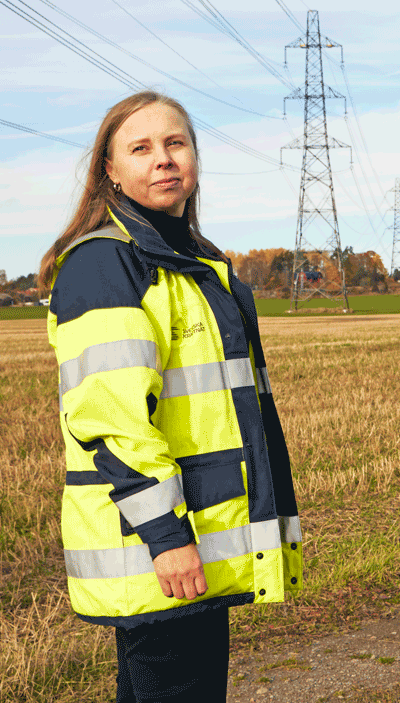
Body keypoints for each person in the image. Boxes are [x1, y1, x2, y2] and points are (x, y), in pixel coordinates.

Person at [38, 91, 302, 702]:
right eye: (142, 148)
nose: (163, 160)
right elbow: (112, 418)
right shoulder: (106, 264)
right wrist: (166, 535)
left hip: (194, 535)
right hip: (156, 545)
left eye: (175, 143)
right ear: (111, 170)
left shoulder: (195, 265)